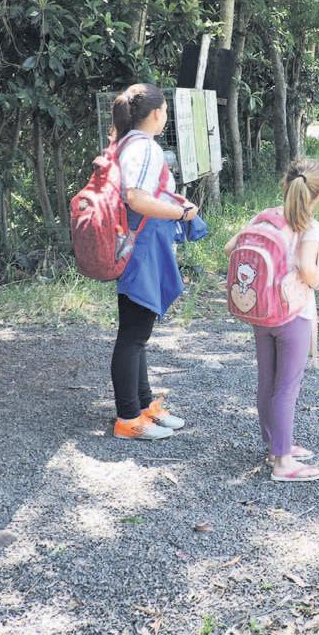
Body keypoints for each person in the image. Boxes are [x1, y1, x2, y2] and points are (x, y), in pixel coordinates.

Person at [225, 158, 319, 482]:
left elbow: (230, 248)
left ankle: (275, 446)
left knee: (267, 382)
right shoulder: (309, 226)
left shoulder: (265, 217)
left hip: (262, 311)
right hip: (293, 314)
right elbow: (308, 270)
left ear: (285, 185)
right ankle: (283, 462)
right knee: (287, 386)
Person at [108, 83, 198, 441]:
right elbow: (136, 198)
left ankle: (143, 405)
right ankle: (128, 417)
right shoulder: (145, 147)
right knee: (133, 334)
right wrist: (181, 213)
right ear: (158, 113)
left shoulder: (126, 143)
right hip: (140, 248)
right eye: (166, 112)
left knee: (138, 331)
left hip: (132, 244)